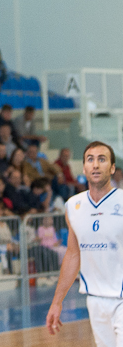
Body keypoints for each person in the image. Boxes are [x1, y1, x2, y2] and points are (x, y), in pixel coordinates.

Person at [46, 141, 123, 345]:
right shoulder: (73, 206)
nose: (95, 165)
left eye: (102, 159)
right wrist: (56, 302)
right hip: (95, 299)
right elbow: (73, 255)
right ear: (84, 168)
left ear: (112, 168)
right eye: (90, 159)